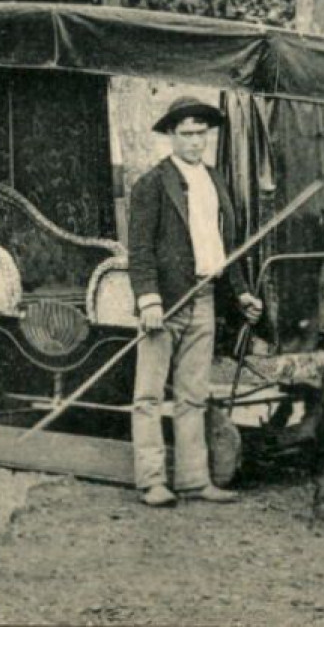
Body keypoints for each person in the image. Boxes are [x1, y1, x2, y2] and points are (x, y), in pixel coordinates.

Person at [127, 95, 264, 508]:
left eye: (201, 134)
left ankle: (193, 480)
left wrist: (241, 292)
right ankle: (151, 481)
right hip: (165, 302)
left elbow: (226, 247)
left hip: (204, 296)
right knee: (149, 396)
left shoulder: (214, 180)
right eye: (186, 134)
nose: (194, 142)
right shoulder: (151, 184)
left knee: (193, 396)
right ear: (171, 136)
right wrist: (148, 300)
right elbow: (140, 249)